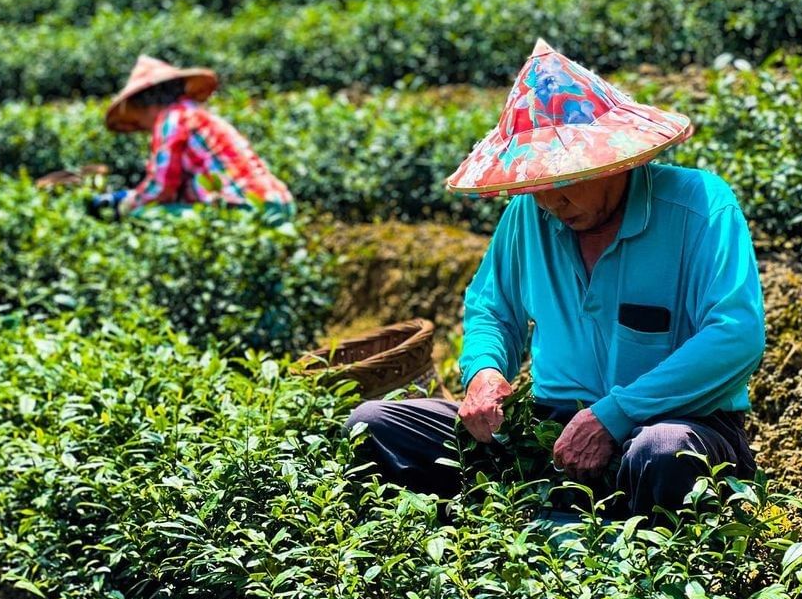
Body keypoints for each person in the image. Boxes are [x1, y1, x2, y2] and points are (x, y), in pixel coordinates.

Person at [345, 38, 764, 520]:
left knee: (664, 452)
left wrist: (614, 416)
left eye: (562, 181)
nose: (548, 202)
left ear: (613, 160)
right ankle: (489, 537)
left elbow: (735, 335)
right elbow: (491, 308)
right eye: (534, 184)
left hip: (674, 422)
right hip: (554, 433)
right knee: (373, 424)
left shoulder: (699, 206)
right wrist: (484, 372)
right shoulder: (530, 215)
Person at [89, 55, 294, 223]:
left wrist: (127, 205)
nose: (143, 128)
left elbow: (162, 189)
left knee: (142, 216)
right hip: (279, 204)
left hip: (246, 210)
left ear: (144, 105)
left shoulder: (171, 120)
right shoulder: (195, 114)